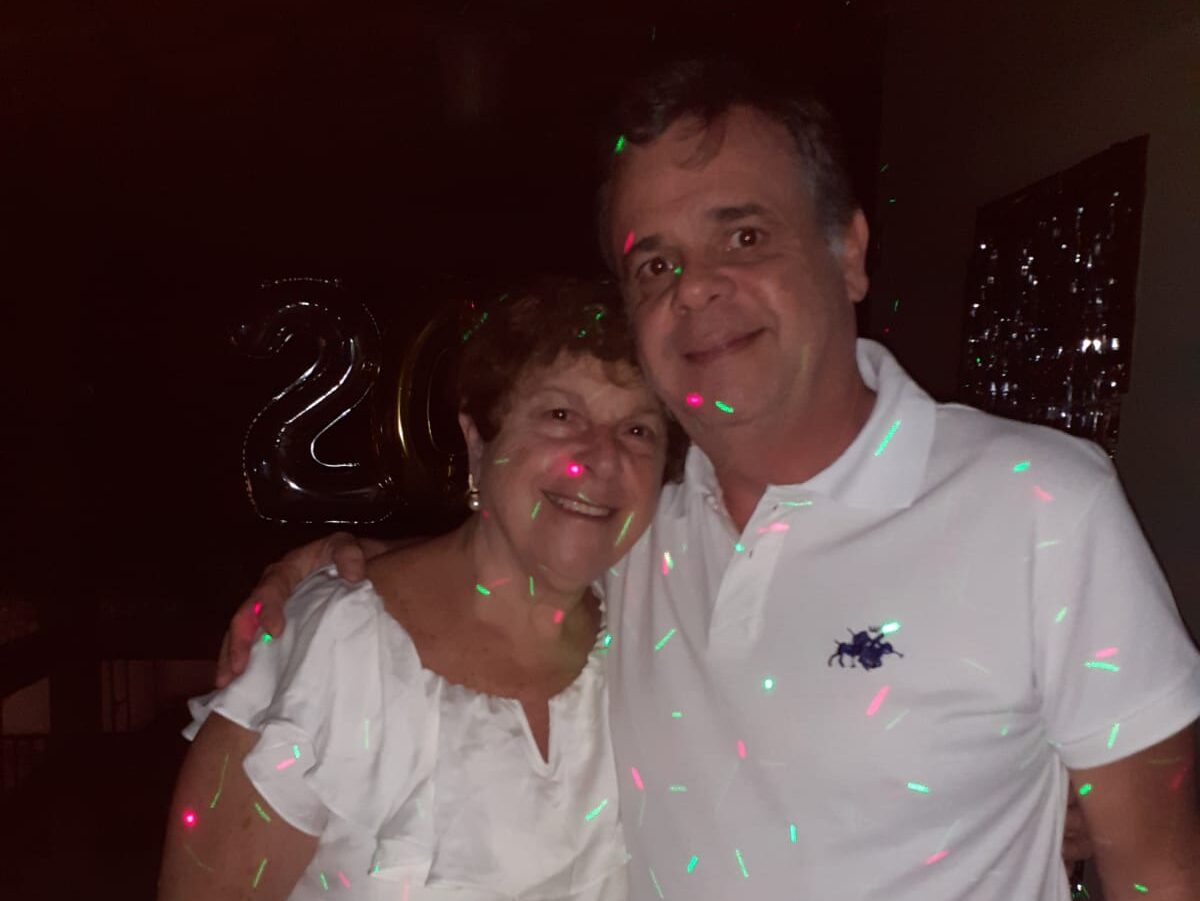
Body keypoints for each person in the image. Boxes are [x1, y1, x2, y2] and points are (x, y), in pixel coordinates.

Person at [217, 59, 1200, 899]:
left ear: (849, 253)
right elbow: (508, 562)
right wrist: (346, 565)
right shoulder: (638, 526)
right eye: (655, 265)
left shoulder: (1040, 505)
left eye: (744, 236)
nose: (695, 289)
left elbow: (1159, 865)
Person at [159, 279, 685, 899]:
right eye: (560, 415)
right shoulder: (335, 645)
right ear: (478, 442)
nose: (598, 457)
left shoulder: (649, 630)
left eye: (638, 431)